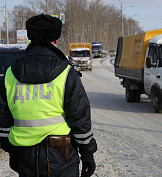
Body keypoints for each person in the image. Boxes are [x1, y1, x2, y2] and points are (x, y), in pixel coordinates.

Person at [0, 14, 97, 177]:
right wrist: (87, 154)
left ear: (30, 38)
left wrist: (11, 152)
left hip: (25, 157)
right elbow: (80, 119)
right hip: (61, 156)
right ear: (56, 40)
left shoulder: (9, 74)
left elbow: (3, 118)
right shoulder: (67, 74)